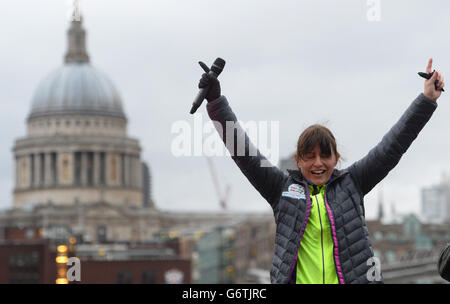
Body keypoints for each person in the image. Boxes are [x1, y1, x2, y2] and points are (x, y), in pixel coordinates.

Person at [195, 58, 444, 284]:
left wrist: (426, 100)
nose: (318, 163)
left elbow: (392, 146)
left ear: (336, 159)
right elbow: (244, 153)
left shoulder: (353, 183)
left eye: (325, 155)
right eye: (310, 156)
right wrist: (216, 102)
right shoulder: (281, 189)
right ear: (298, 160)